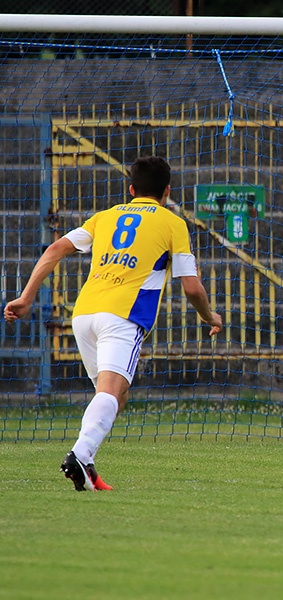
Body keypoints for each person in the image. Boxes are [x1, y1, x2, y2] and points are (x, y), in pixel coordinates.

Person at [4, 156, 223, 491]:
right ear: (167, 190)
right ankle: (79, 453)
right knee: (110, 393)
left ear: (131, 189)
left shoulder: (105, 217)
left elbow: (54, 249)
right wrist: (210, 316)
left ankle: (87, 467)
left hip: (84, 314)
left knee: (115, 395)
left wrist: (26, 297)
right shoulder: (172, 223)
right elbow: (191, 286)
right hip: (123, 317)